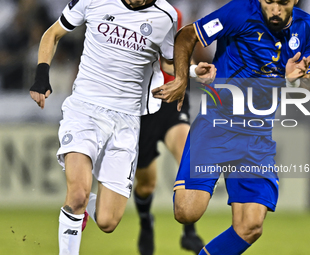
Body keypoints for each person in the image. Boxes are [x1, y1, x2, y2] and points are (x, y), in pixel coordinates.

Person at [29, 0, 215, 254]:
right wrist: (41, 77)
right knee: (77, 195)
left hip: (127, 120)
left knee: (107, 221)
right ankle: (76, 210)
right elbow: (53, 33)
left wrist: (192, 71)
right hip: (85, 110)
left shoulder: (166, 16)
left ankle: (81, 209)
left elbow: (169, 61)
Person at [152, 0, 310, 254]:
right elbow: (187, 35)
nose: (274, 10)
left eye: (282, 3)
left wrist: (292, 82)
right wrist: (183, 79)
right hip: (216, 125)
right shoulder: (240, 11)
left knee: (250, 226)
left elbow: (302, 88)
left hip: (258, 134)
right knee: (186, 212)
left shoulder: (308, 27)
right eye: (268, 1)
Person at [133, 7, 204, 255]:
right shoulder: (121, 12)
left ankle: (189, 232)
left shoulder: (173, 14)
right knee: (145, 184)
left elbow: (179, 54)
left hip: (171, 99)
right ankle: (146, 223)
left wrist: (193, 70)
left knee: (189, 156)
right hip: (140, 106)